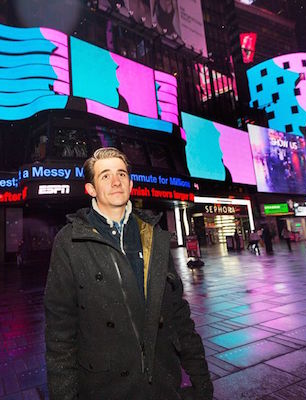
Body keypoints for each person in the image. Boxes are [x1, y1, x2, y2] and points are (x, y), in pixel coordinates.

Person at [44, 147, 213, 400]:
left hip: (162, 384)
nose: (115, 182)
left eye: (121, 174)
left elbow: (177, 313)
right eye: (105, 176)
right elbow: (60, 333)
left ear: (131, 184)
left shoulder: (154, 236)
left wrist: (202, 380)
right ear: (91, 189)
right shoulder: (69, 242)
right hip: (106, 388)